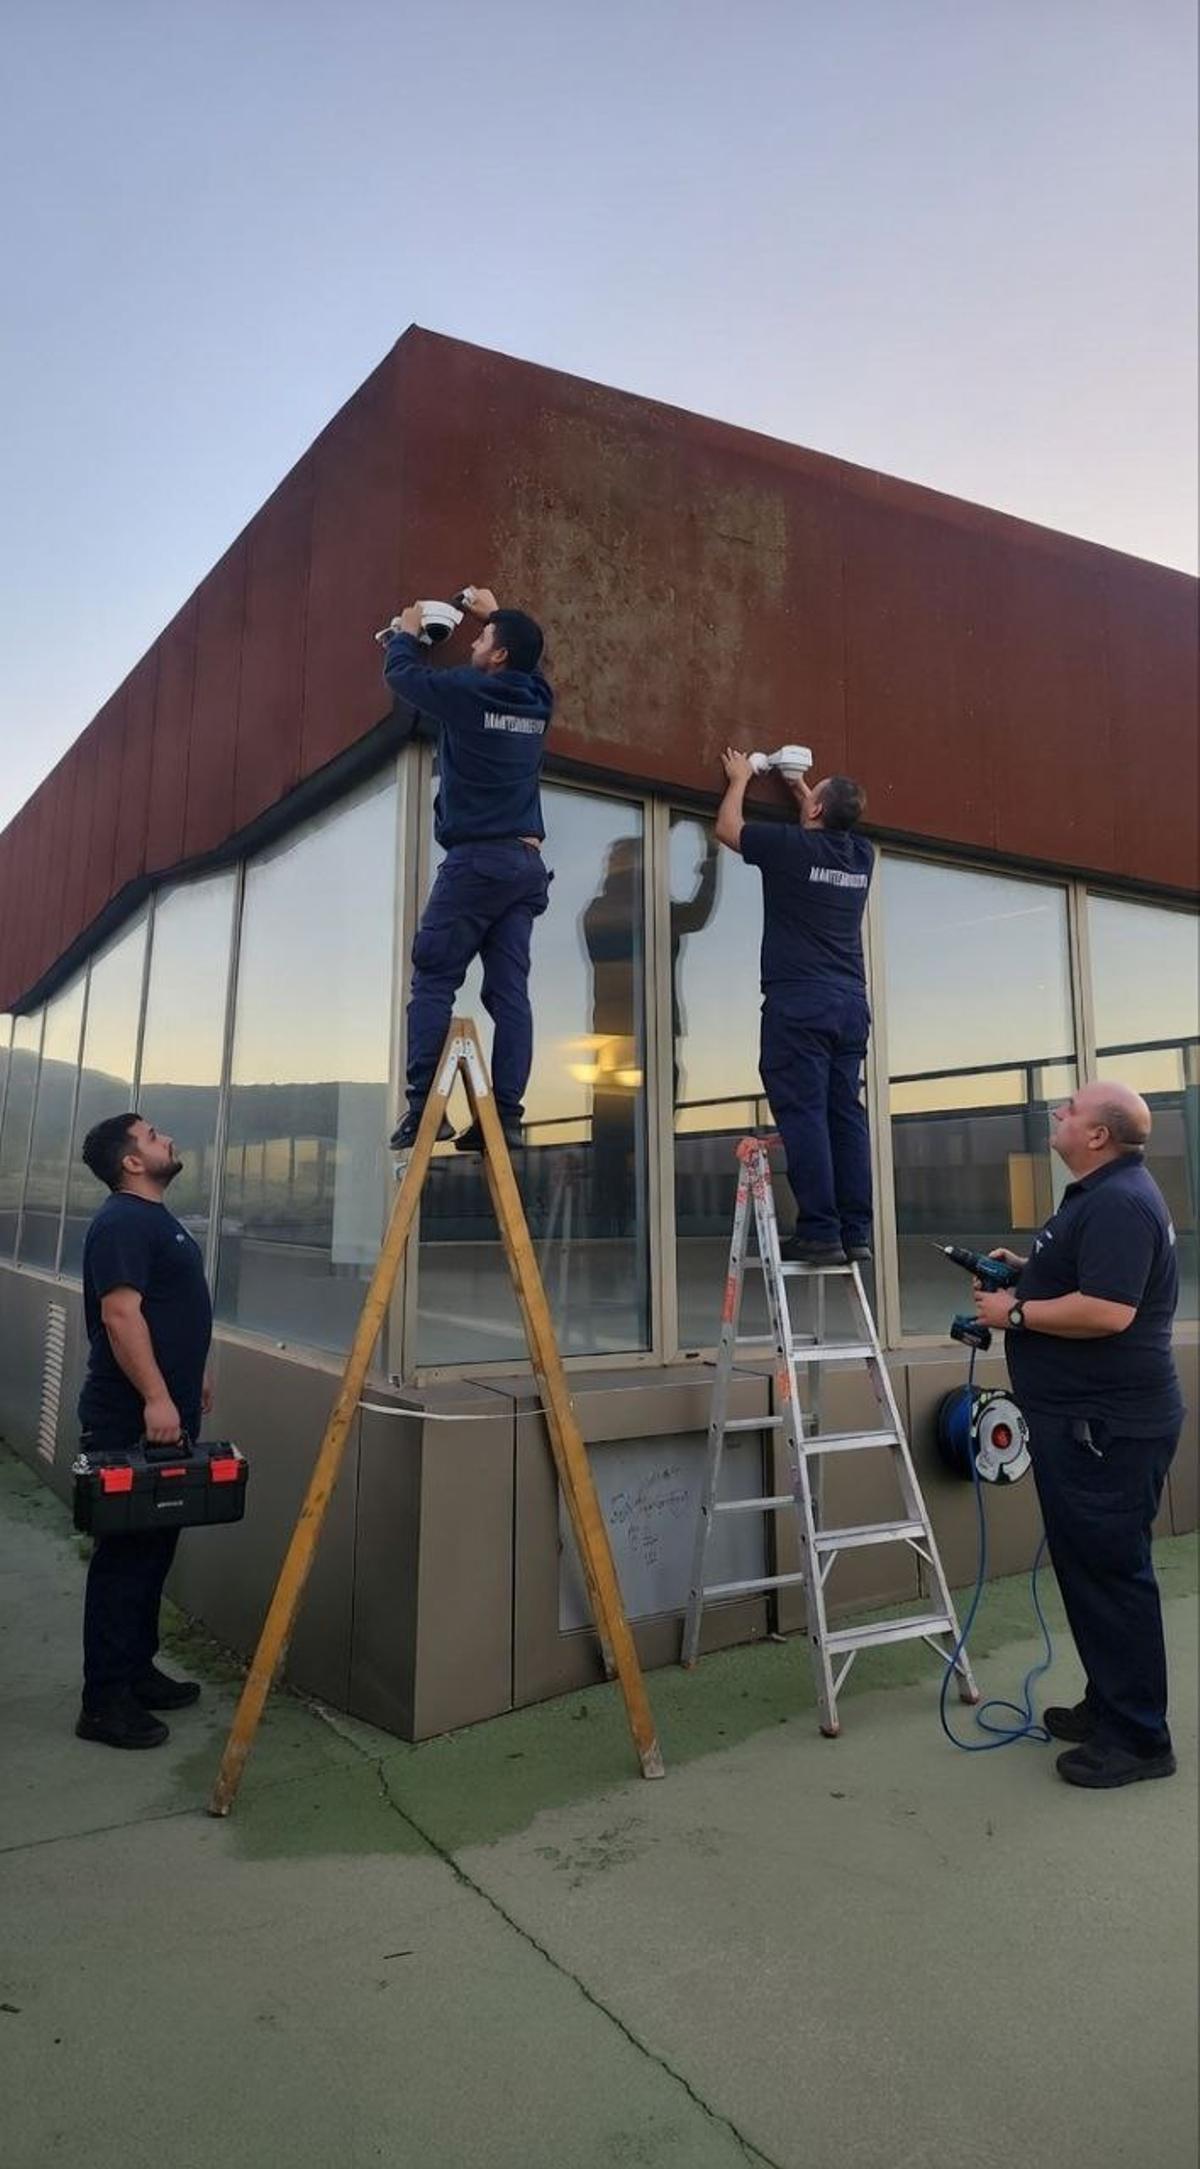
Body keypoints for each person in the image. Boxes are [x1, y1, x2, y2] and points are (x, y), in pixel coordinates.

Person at [973, 1081, 1184, 1790]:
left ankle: (1139, 1739)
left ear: (1098, 1136)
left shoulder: (1121, 1201)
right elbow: (1093, 1282)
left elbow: (1109, 1310)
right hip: (1089, 1423)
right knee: (1090, 1570)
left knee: (1112, 1574)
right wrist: (1031, 1274)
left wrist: (1015, 1315)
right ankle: (1111, 1705)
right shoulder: (1105, 1195)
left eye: (1069, 1108)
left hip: (1108, 1427)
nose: (1056, 1111)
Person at [382, 586, 553, 1154]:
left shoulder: (470, 693)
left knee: (434, 978)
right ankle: (504, 1116)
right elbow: (533, 662)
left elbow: (405, 679)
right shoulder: (537, 700)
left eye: (481, 639)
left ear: (498, 657)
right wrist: (494, 613)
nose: (473, 643)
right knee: (510, 996)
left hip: (476, 862)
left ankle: (423, 1110)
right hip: (525, 866)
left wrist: (406, 634)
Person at [75, 1114, 211, 1749]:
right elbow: (120, 1313)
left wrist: (190, 1381)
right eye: (156, 1136)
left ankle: (136, 1672)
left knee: (153, 1551)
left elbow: (164, 1310)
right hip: (131, 1418)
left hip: (166, 1413)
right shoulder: (125, 1221)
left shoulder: (153, 1220)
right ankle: (104, 1702)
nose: (168, 1140)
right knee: (125, 1558)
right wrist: (157, 1396)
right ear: (132, 1161)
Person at [714, 749, 874, 1265]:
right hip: (849, 1006)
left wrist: (739, 779)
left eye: (813, 793)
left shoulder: (789, 849)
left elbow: (729, 829)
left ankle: (820, 1231)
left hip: (800, 1004)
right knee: (843, 1114)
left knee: (804, 1114)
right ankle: (855, 1233)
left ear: (815, 813)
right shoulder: (862, 857)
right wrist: (801, 785)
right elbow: (829, 823)